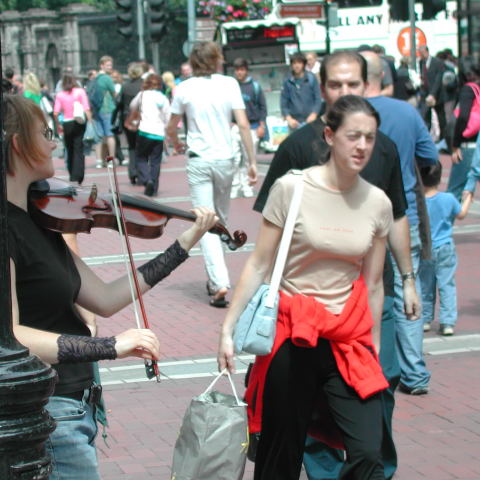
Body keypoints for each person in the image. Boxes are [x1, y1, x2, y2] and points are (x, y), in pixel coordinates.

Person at [2, 94, 218, 480]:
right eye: (45, 133)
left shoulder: (40, 221)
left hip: (75, 404)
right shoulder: (1, 232)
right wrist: (111, 347)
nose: (54, 142)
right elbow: (11, 335)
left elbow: (104, 298)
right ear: (18, 144)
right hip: (48, 412)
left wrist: (183, 245)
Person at [252, 50, 419, 480]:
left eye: (353, 84)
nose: (344, 91)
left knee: (378, 393)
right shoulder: (296, 147)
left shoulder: (382, 147)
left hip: (367, 298)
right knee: (300, 416)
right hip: (304, 314)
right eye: (335, 84)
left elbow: (398, 215)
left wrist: (408, 277)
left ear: (368, 86)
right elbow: (268, 241)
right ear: (321, 88)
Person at [219, 95, 392, 480]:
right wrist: (227, 329)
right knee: (280, 456)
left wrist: (375, 345)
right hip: (290, 335)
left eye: (369, 137)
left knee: (368, 452)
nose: (362, 146)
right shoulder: (291, 188)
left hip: (346, 339)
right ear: (329, 136)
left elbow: (374, 283)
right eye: (353, 136)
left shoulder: (377, 203)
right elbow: (259, 263)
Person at [362, 51, 438, 398]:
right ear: (385, 77)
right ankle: (415, 371)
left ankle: (373, 364)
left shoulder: (350, 115)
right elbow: (430, 157)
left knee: (371, 288)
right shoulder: (406, 111)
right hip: (402, 212)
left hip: (360, 215)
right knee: (408, 287)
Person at [167, 41, 257, 308]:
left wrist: (176, 142)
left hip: (199, 159)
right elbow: (243, 124)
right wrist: (251, 161)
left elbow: (171, 125)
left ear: (193, 62)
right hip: (225, 159)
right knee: (218, 219)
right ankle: (216, 277)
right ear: (217, 59)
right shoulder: (229, 84)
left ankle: (219, 282)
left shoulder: (184, 88)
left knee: (206, 220)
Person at [419, 161, 472, 337]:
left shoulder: (418, 201)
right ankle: (447, 322)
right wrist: (468, 198)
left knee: (425, 285)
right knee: (446, 284)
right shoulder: (448, 199)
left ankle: (425, 319)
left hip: (425, 248)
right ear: (439, 178)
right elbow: (461, 214)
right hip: (445, 247)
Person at [128, 73, 170, 196]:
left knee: (140, 157)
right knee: (155, 161)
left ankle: (146, 180)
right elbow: (168, 116)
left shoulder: (142, 94)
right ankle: (154, 186)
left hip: (144, 131)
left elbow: (132, 106)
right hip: (159, 133)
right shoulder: (163, 98)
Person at [232, 57, 267, 199]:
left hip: (252, 126)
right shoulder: (232, 86)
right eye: (237, 70)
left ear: (246, 70)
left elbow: (263, 107)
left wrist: (262, 125)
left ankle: (247, 185)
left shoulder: (255, 87)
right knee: (234, 158)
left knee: (249, 158)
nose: (239, 72)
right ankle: (235, 185)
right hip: (235, 127)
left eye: (242, 69)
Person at [448, 57, 480, 200]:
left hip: (468, 145)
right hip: (477, 142)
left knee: (454, 190)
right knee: (468, 188)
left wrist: (455, 145)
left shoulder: (468, 89)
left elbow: (463, 117)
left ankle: (449, 217)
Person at [53, 73, 92, 184]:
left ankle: (72, 173)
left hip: (67, 122)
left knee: (69, 149)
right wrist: (90, 122)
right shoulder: (80, 92)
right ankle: (78, 174)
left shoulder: (60, 95)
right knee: (78, 147)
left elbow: (56, 112)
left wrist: (58, 124)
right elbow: (86, 108)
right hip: (79, 122)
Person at [116, 62, 145, 184]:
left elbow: (119, 102)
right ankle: (142, 172)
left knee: (131, 146)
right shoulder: (144, 85)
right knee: (142, 146)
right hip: (142, 118)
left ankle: (132, 172)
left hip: (128, 118)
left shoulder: (125, 86)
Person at [280, 52, 322, 132]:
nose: (297, 65)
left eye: (299, 62)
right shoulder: (287, 80)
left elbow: (318, 98)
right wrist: (288, 118)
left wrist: (314, 114)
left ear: (304, 64)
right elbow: (283, 102)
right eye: (294, 63)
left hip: (310, 121)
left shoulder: (311, 78)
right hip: (294, 123)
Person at [89, 56, 117, 168]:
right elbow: (114, 93)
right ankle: (110, 160)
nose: (110, 67)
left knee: (99, 137)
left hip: (96, 110)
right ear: (102, 66)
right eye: (108, 65)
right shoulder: (107, 78)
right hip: (106, 109)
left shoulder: (94, 78)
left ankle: (99, 161)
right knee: (110, 135)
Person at [419, 45, 447, 142]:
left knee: (441, 117)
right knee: (425, 116)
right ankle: (426, 138)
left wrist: (433, 94)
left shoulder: (437, 62)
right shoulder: (421, 62)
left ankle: (444, 138)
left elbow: (438, 80)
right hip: (425, 93)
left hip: (437, 94)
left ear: (427, 51)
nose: (421, 55)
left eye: (422, 53)